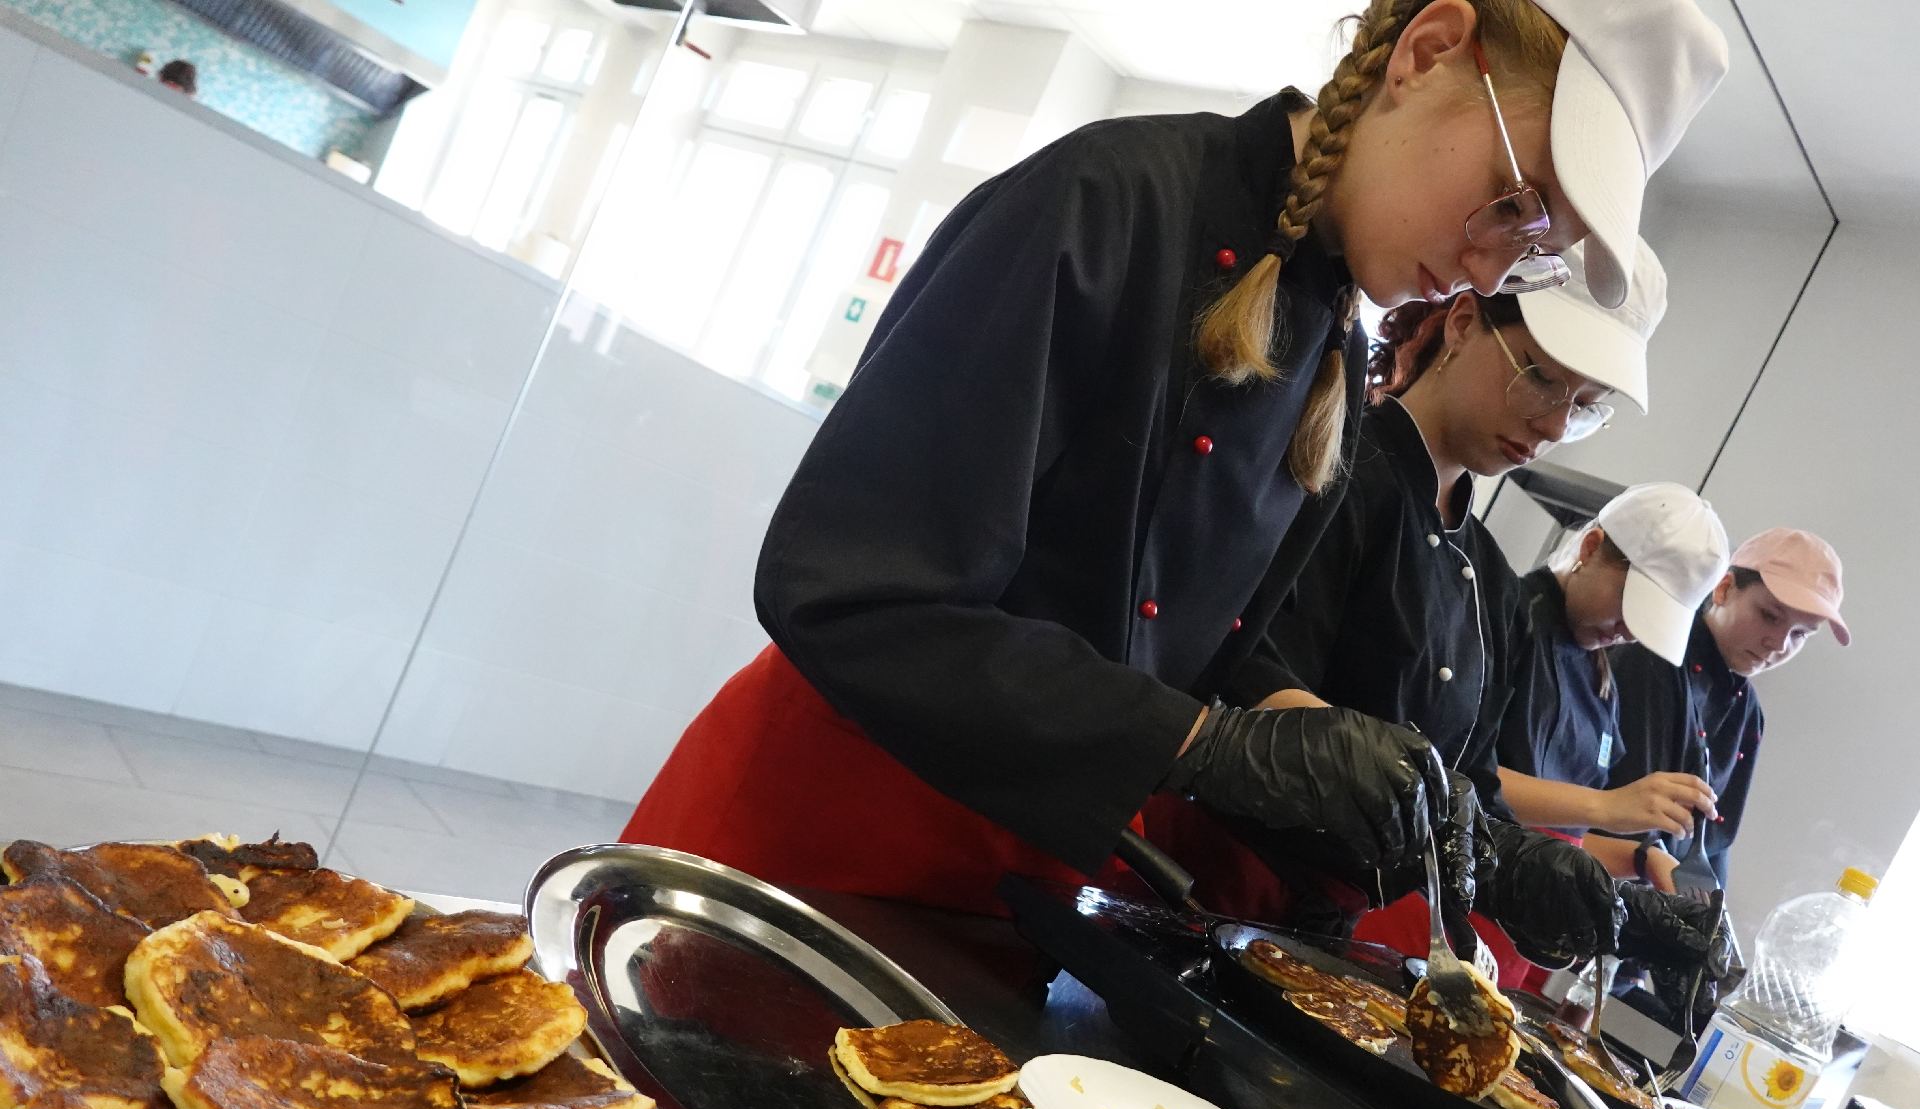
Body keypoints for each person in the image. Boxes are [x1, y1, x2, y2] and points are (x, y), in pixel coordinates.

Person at [621, 0, 1728, 932]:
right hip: (813, 837)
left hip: (1015, 888)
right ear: (1428, 48)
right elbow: (852, 593)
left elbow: (1202, 654)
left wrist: (1433, 817)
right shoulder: (1105, 205)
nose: (1493, 261)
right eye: (1515, 198)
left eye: (1534, 248)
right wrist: (1204, 747)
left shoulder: (1331, 348)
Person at [1173, 243, 1727, 981]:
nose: (1557, 425)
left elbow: (1480, 791)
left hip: (1336, 943)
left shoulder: (1491, 580)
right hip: (1210, 889)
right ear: (1463, 322)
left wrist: (1590, 886)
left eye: (1586, 405)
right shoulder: (1331, 466)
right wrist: (1367, 768)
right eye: (1541, 377)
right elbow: (1242, 670)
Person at [1601, 527, 1852, 891]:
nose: (1778, 644)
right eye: (1769, 615)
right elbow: (1619, 819)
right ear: (1724, 588)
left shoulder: (1748, 713)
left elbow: (1716, 844)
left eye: (1800, 635)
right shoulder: (1650, 657)